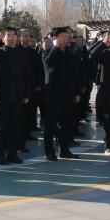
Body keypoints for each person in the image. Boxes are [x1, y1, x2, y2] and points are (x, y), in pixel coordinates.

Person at [0, 28, 32, 164]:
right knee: (0, 126)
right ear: (3, 39)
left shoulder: (22, 54)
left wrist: (27, 93)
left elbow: (27, 74)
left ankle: (12, 154)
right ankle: (0, 155)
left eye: (14, 35)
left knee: (14, 126)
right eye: (9, 35)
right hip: (1, 95)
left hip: (17, 94)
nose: (12, 38)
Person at [41, 26, 82, 161]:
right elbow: (48, 64)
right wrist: (55, 47)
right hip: (53, 95)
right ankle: (49, 152)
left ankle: (64, 150)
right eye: (63, 37)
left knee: (66, 124)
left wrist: (77, 92)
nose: (66, 39)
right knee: (51, 125)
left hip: (68, 94)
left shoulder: (70, 53)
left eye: (67, 36)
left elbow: (75, 73)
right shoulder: (48, 52)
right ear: (55, 38)